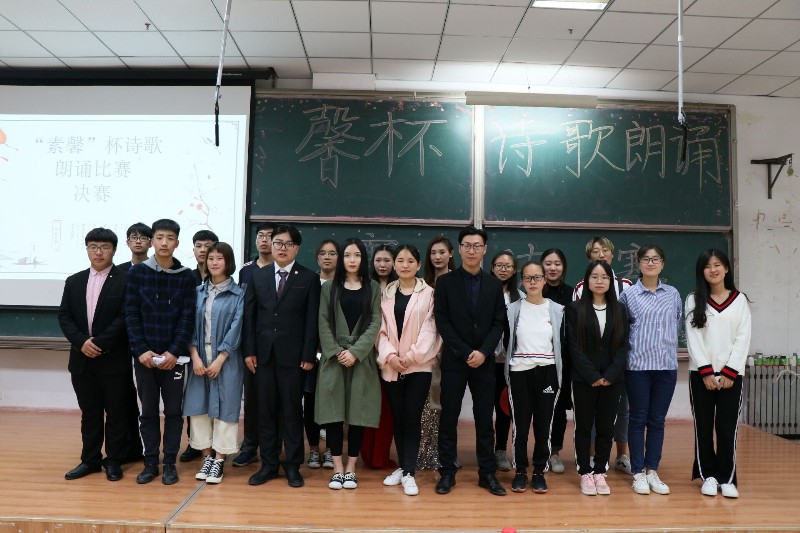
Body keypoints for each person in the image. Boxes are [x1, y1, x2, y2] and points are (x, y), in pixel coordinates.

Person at [244, 224, 321, 489]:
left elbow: (312, 319)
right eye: (278, 242)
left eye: (288, 244)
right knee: (266, 412)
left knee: (291, 412)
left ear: (297, 248)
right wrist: (249, 350)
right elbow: (250, 316)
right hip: (263, 356)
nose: (282, 248)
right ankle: (268, 464)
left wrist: (308, 353)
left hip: (294, 357)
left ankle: (293, 465)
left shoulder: (308, 278)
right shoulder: (258, 275)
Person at [434, 226, 506, 496]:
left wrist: (484, 352)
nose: (472, 250)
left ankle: (487, 474)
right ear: (459, 249)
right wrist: (465, 352)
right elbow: (442, 321)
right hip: (455, 361)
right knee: (448, 418)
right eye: (467, 245)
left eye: (477, 246)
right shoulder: (445, 283)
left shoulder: (493, 284)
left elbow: (498, 323)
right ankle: (447, 473)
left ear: (484, 249)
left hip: (484, 362)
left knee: (485, 419)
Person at [125, 218, 196, 485]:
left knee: (174, 413)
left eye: (170, 238)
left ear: (177, 243)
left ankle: (169, 464)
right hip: (144, 358)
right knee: (148, 412)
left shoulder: (186, 276)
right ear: (152, 241)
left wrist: (174, 352)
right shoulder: (137, 273)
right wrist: (141, 350)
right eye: (160, 237)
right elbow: (131, 315)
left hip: (174, 359)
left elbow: (187, 318)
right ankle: (150, 463)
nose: (164, 243)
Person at [59, 228, 131, 482]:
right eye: (93, 247)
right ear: (87, 249)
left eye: (104, 247)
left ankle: (113, 460)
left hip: (113, 358)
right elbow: (65, 316)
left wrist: (98, 343)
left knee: (116, 412)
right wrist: (82, 342)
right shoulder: (74, 281)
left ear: (114, 250)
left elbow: (125, 317)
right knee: (90, 412)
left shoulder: (125, 280)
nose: (98, 252)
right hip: (82, 359)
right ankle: (89, 460)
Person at [316, 237, 382, 490]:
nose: (352, 260)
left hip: (361, 360)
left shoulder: (372, 287)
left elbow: (375, 322)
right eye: (347, 255)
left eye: (357, 255)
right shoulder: (329, 287)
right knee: (333, 415)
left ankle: (351, 467)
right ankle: (337, 468)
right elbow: (323, 321)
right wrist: (335, 351)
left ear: (363, 259)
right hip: (334, 360)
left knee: (358, 414)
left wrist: (355, 352)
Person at [685, 249, 751, 499]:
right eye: (707, 266)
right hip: (701, 375)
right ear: (701, 271)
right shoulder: (693, 299)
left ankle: (727, 477)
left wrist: (730, 372)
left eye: (717, 265)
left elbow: (743, 337)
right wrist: (706, 371)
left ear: (726, 269)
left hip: (731, 376)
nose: (713, 270)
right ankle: (708, 476)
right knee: (703, 427)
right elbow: (693, 337)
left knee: (727, 428)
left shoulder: (740, 300)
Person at [377, 244, 442, 496]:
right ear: (394, 264)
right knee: (398, 417)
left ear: (418, 265)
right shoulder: (386, 293)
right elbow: (380, 330)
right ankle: (404, 467)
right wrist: (390, 356)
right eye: (400, 260)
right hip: (391, 366)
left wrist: (411, 356)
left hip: (419, 367)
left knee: (411, 417)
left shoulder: (429, 294)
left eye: (410, 261)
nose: (405, 265)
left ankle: (409, 473)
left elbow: (431, 330)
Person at [619, 245, 682, 496]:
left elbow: (676, 324)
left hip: (666, 366)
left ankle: (652, 469)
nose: (651, 263)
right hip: (637, 367)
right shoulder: (629, 295)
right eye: (646, 259)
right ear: (639, 264)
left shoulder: (673, 294)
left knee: (657, 421)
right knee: (637, 419)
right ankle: (638, 472)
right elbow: (622, 329)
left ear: (662, 264)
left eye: (656, 259)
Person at [184, 242, 245, 485]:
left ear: (228, 262)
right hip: (199, 354)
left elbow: (237, 328)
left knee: (226, 405)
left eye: (220, 258)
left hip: (227, 358)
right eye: (211, 258)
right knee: (198, 405)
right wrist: (195, 355)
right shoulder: (197, 292)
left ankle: (220, 458)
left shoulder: (238, 294)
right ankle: (207, 455)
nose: (214, 262)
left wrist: (220, 358)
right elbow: (188, 324)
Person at [567, 260, 629, 496]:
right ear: (587, 280)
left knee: (606, 427)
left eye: (604, 277)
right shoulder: (575, 309)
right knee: (583, 427)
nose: (599, 281)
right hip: (584, 379)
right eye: (594, 277)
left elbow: (623, 346)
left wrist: (610, 375)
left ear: (611, 281)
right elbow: (573, 346)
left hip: (612, 380)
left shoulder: (620, 310)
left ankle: (601, 471)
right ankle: (585, 471)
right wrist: (592, 374)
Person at [504, 261, 564, 494]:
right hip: (519, 372)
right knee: (520, 426)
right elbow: (506, 341)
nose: (533, 282)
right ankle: (520, 471)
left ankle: (539, 471)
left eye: (537, 277)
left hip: (548, 372)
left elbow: (562, 345)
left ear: (545, 280)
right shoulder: (513, 310)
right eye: (528, 278)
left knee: (543, 426)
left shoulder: (557, 310)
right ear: (522, 281)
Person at [232, 221, 275, 468]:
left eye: (270, 236)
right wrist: (248, 348)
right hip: (252, 344)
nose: (264, 240)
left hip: (277, 344)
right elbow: (245, 311)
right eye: (260, 235)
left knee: (276, 400)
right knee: (252, 399)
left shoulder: (284, 269)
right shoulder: (246, 270)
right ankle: (250, 445)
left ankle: (274, 447)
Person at [114, 222, 151, 465]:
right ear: (127, 242)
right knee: (123, 395)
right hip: (119, 342)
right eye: (133, 237)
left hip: (148, 342)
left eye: (143, 237)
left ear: (151, 242)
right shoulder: (118, 272)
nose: (138, 241)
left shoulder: (158, 268)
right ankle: (129, 446)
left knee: (148, 399)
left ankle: (149, 450)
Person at [418, 235, 456, 471]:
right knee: (427, 403)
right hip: (426, 350)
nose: (437, 257)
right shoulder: (422, 284)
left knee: (448, 403)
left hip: (450, 349)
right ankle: (425, 451)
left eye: (442, 252)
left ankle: (446, 453)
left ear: (451, 254)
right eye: (433, 253)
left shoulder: (458, 281)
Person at [182, 229, 220, 463]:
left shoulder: (223, 277)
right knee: (194, 397)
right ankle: (194, 443)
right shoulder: (187, 277)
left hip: (217, 347)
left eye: (208, 245)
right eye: (199, 245)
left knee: (217, 396)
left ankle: (216, 443)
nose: (203, 250)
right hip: (191, 347)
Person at [361, 244, 400, 470]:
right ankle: (367, 453)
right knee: (368, 406)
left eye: (387, 260)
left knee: (387, 410)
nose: (382, 265)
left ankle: (380, 455)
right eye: (378, 260)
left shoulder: (401, 286)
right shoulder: (365, 286)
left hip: (391, 356)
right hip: (366, 354)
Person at [305, 240, 338, 470]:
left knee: (333, 401)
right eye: (323, 253)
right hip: (311, 352)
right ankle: (314, 450)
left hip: (335, 352)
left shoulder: (345, 284)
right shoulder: (308, 281)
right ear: (317, 257)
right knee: (310, 401)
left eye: (332, 253)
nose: (327, 257)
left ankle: (331, 451)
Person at [540, 248, 573, 474]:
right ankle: (540, 451)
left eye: (557, 264)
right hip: (538, 358)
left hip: (564, 361)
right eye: (548, 263)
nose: (553, 268)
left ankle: (554, 452)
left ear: (564, 267)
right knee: (539, 408)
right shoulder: (534, 291)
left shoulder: (573, 293)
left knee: (559, 408)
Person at [489, 249, 521, 472]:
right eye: (499, 265)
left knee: (504, 408)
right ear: (492, 268)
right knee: (483, 408)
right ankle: (484, 449)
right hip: (485, 360)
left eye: (507, 266)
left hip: (509, 362)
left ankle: (500, 449)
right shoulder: (484, 292)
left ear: (514, 270)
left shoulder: (521, 296)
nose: (503, 269)